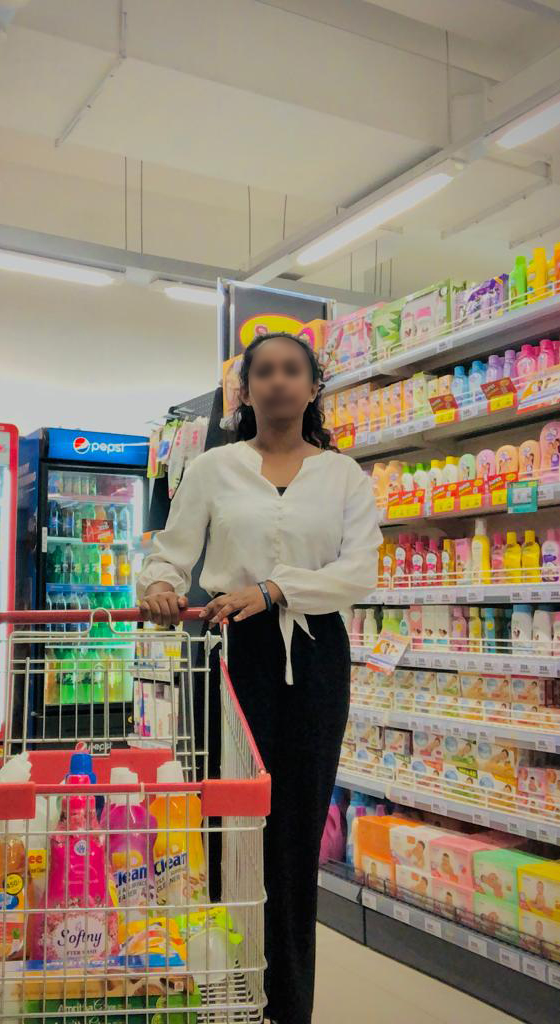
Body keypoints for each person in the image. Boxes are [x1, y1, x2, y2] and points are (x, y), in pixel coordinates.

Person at [137, 331, 381, 1024]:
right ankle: (223, 987)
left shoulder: (343, 476)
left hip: (314, 654)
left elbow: (358, 570)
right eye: (263, 371)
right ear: (244, 390)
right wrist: (160, 587)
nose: (277, 381)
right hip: (230, 650)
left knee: (297, 828)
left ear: (312, 387)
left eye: (291, 370)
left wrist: (276, 590)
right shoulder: (213, 468)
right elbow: (171, 551)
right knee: (226, 821)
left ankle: (289, 1006)